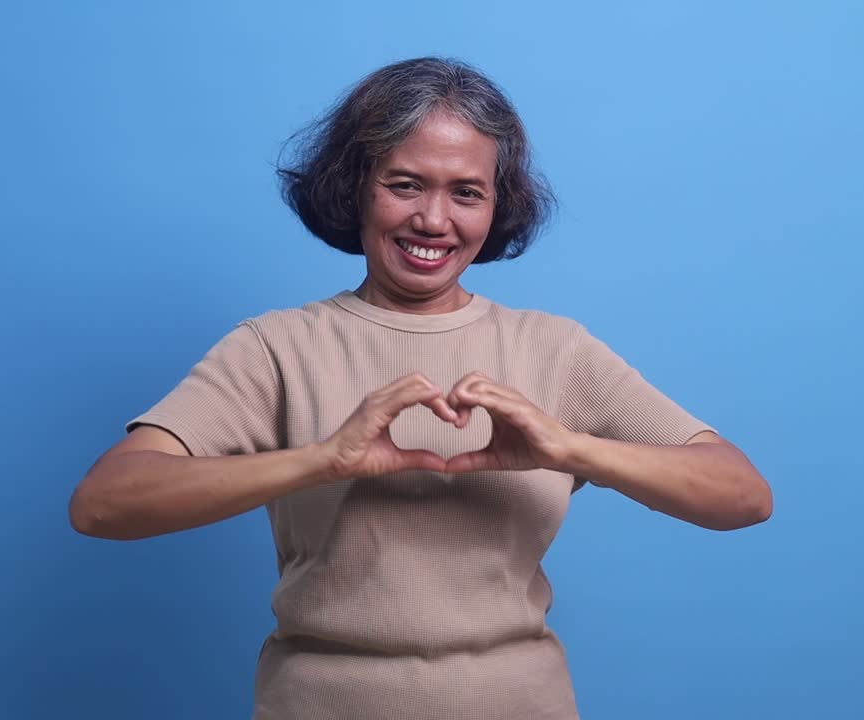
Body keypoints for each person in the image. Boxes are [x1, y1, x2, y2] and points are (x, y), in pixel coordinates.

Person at [69, 56, 772, 720]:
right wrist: (324, 458)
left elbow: (741, 495)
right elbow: (103, 505)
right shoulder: (275, 347)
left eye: (466, 193)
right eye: (405, 184)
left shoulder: (554, 349)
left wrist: (570, 447)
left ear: (498, 206)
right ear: (355, 185)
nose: (434, 220)